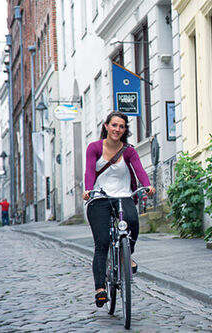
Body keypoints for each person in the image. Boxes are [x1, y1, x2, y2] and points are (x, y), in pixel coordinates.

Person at [82, 111, 155, 307]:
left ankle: (126, 256)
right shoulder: (94, 147)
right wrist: (89, 189)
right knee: (102, 242)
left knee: (132, 222)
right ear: (106, 126)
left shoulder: (129, 150)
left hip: (123, 196)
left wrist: (147, 184)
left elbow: (139, 170)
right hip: (99, 198)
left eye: (121, 126)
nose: (117, 129)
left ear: (125, 130)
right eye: (114, 125)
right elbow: (90, 170)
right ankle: (100, 289)